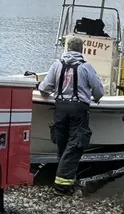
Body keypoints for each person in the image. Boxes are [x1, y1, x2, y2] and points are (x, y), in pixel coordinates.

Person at [37, 36, 105, 193]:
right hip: (78, 110)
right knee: (75, 145)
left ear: (67, 48)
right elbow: (99, 92)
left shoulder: (57, 65)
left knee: (62, 144)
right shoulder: (86, 67)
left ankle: (65, 180)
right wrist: (93, 96)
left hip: (60, 109)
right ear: (82, 50)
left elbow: (44, 87)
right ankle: (62, 185)